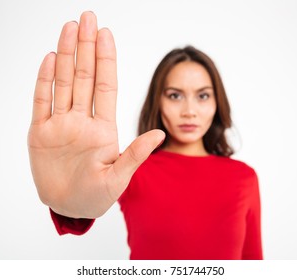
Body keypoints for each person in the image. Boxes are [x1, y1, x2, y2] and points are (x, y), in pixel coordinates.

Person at [28, 11, 262, 260]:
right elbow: (84, 196)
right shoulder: (130, 168)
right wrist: (69, 206)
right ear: (157, 102)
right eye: (175, 95)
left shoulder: (243, 178)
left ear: (217, 103)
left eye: (203, 95)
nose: (189, 111)